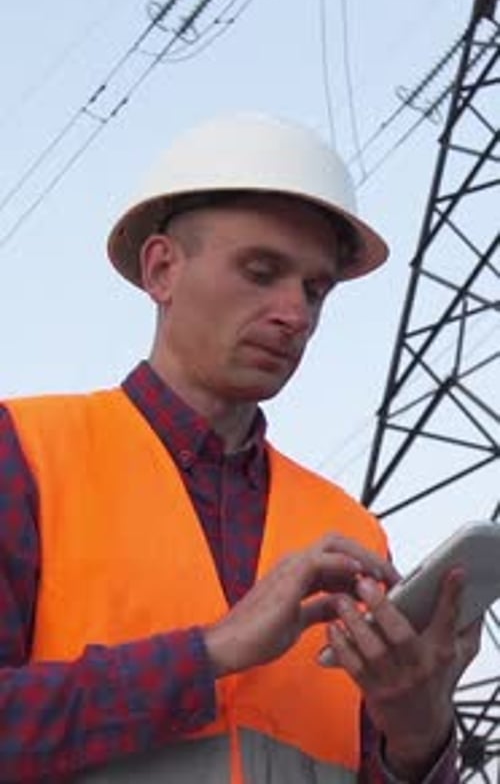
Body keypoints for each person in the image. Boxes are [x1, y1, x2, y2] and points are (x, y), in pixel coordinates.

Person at [0, 112, 481, 784]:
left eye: (316, 290)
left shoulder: (350, 528)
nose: (296, 314)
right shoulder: (25, 451)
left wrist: (420, 737)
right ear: (162, 269)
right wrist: (210, 654)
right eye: (261, 272)